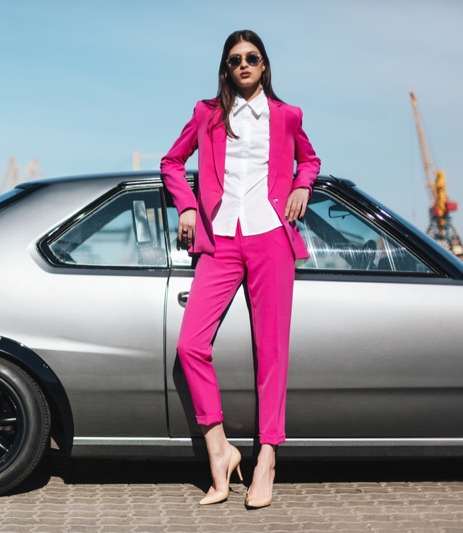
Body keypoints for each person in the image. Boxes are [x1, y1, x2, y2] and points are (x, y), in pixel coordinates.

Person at [160, 29, 320, 509]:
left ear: (265, 65)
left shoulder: (287, 116)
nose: (244, 65)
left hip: (271, 236)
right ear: (226, 68)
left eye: (252, 58)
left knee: (271, 352)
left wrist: (302, 186)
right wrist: (186, 207)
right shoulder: (207, 114)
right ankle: (220, 450)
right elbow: (171, 162)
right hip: (221, 240)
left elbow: (309, 160)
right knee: (190, 345)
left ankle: (267, 457)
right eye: (235, 60)